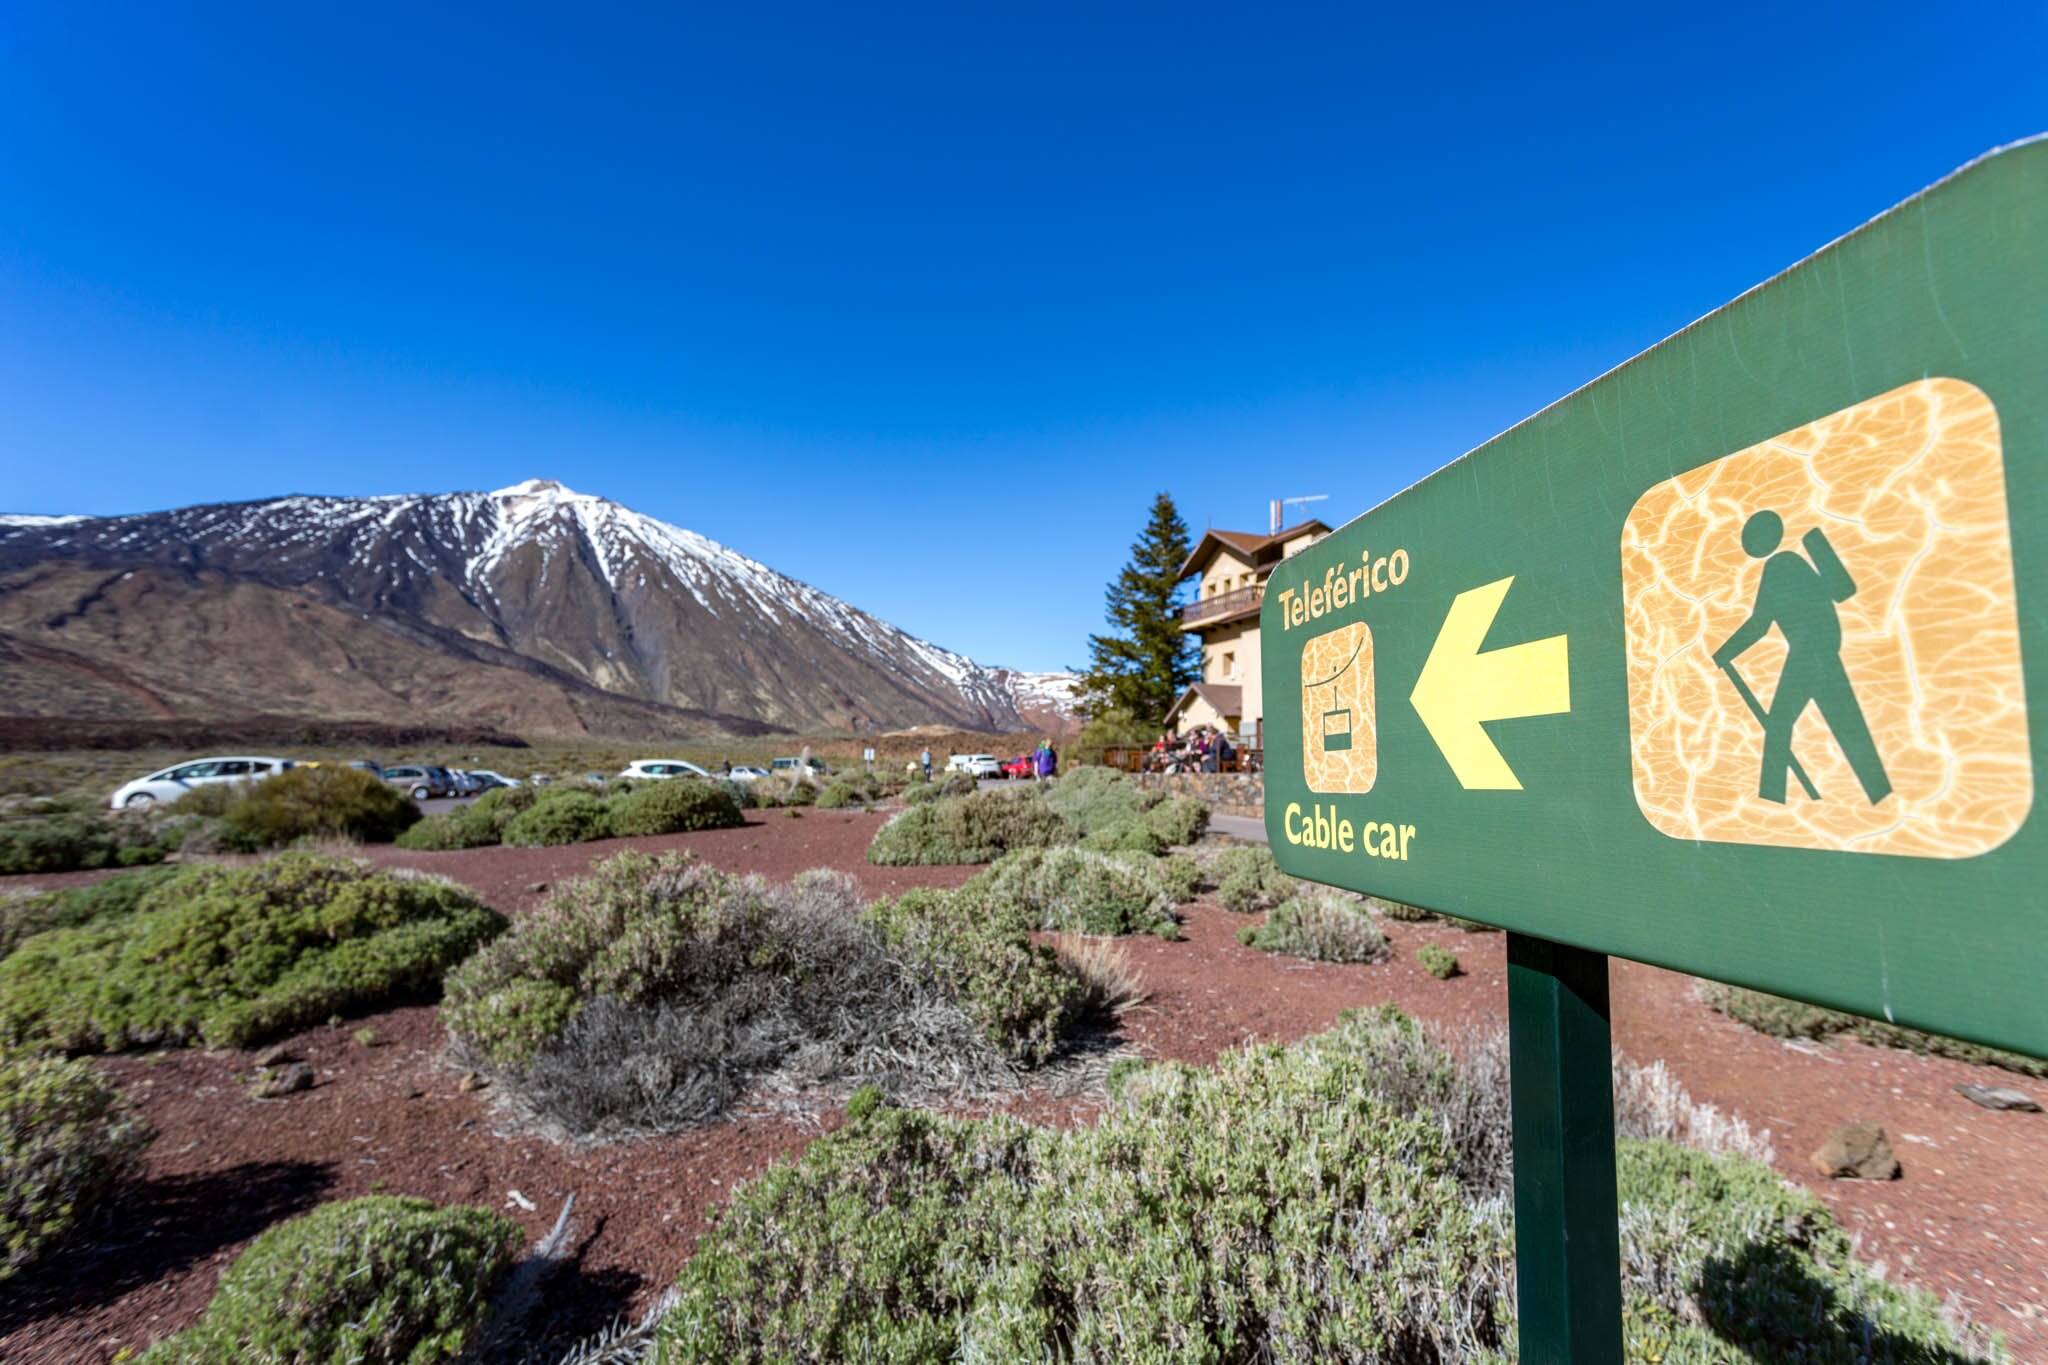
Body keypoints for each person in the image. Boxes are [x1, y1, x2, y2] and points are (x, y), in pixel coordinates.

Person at [1712, 510, 1891, 806]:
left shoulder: (1779, 566)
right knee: (1848, 724)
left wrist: (1726, 652)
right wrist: (1726, 653)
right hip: (1824, 651)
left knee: (1780, 722)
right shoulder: (1793, 563)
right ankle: (1880, 792)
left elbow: (1760, 623)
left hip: (1808, 655)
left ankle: (1771, 798)